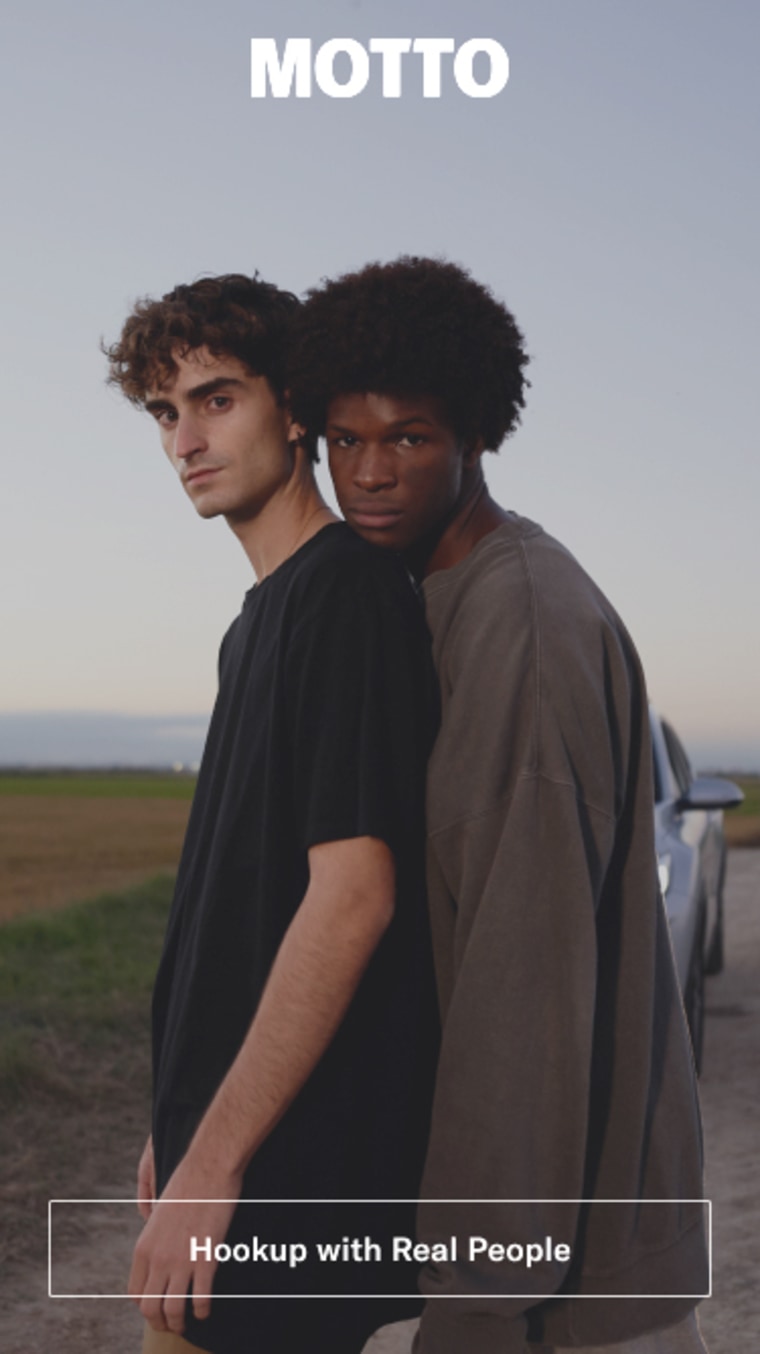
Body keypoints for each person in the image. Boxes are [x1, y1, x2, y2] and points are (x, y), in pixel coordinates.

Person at [287, 256, 711, 1354]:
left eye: (410, 437)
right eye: (346, 439)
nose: (370, 473)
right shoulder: (433, 595)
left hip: (563, 1302)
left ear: (475, 435)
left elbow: (520, 987)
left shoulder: (518, 620)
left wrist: (477, 1297)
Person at [103, 273, 440, 1354]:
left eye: (215, 399)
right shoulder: (258, 624)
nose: (184, 440)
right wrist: (182, 1121)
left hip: (282, 1184)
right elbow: (240, 904)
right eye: (165, 412)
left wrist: (217, 1161)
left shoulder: (346, 596)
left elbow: (351, 900)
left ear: (292, 408)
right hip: (236, 1161)